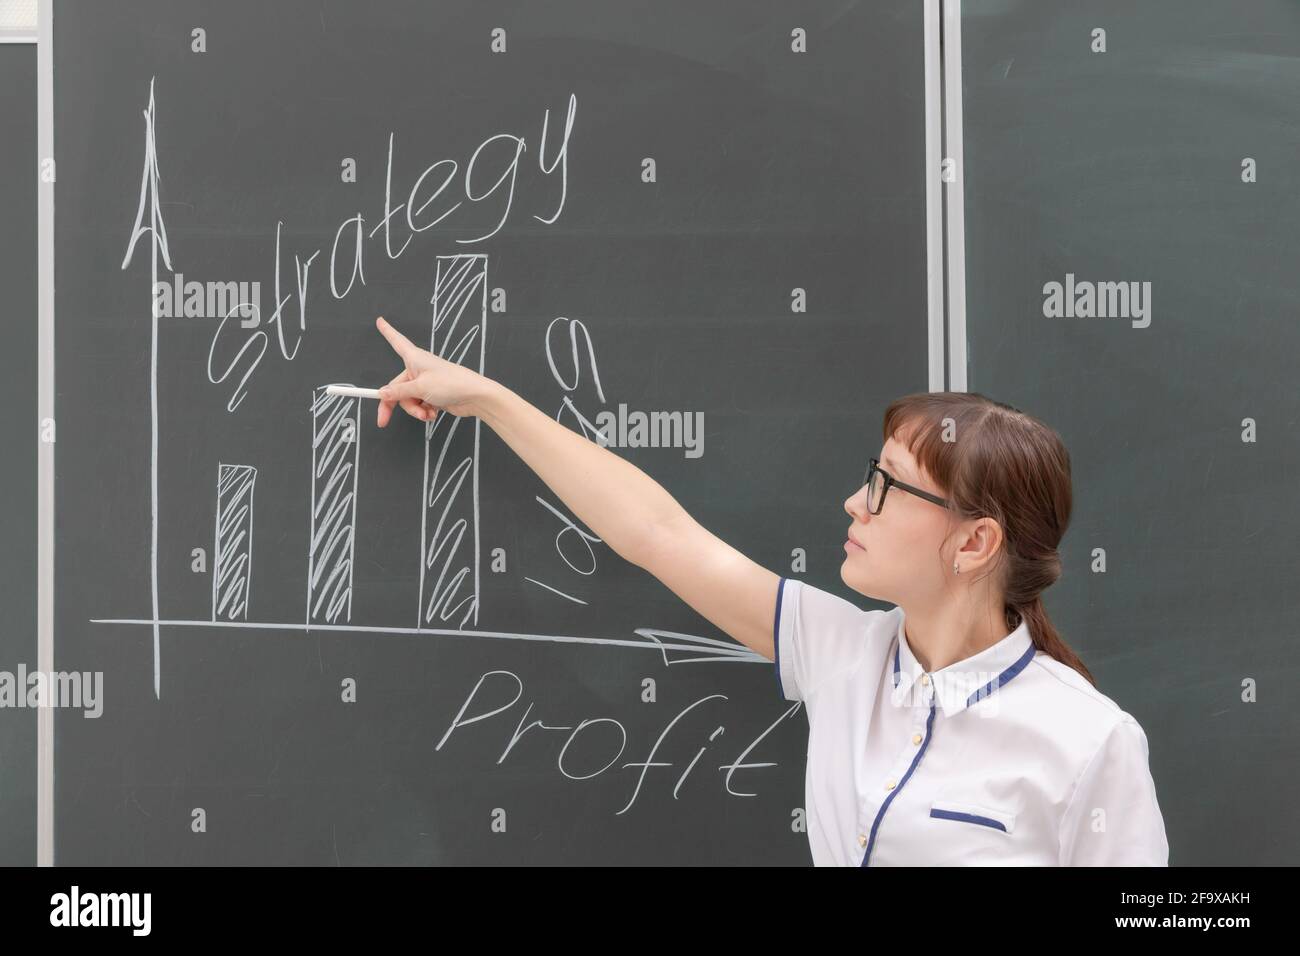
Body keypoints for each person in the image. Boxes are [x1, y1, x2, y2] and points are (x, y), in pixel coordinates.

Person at [371, 315, 1170, 867]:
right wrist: (485, 400)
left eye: (889, 488)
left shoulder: (1088, 739)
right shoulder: (843, 654)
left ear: (974, 542)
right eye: (869, 478)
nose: (855, 503)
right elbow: (658, 534)